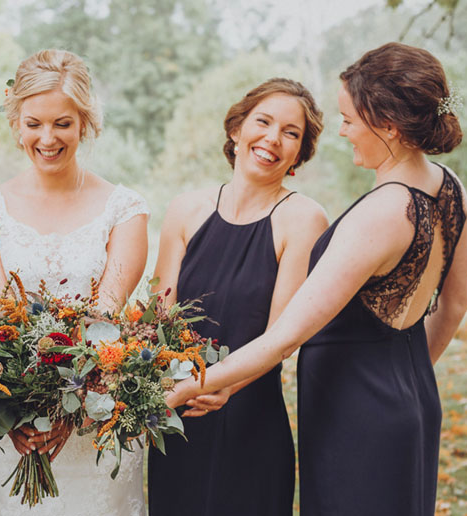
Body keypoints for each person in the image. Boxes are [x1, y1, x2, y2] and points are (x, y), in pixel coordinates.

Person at [166, 42, 467, 516]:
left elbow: (284, 336)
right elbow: (454, 307)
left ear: (388, 125)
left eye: (349, 119)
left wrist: (194, 385)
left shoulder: (378, 214)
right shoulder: (450, 187)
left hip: (354, 406)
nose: (344, 131)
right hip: (412, 393)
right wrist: (404, 380)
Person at [0, 49, 149, 515]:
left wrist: (74, 407)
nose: (47, 138)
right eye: (34, 123)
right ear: (16, 123)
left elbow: (106, 315)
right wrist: (14, 415)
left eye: (62, 123)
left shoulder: (124, 210)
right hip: (17, 429)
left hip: (95, 416)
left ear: (84, 122)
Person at [147, 78, 327, 516]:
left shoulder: (303, 219)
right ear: (236, 130)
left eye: (291, 133)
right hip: (176, 413)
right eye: (263, 122)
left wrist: (222, 384)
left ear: (299, 155)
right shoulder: (186, 209)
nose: (272, 139)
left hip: (249, 415)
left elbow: (283, 336)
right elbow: (158, 313)